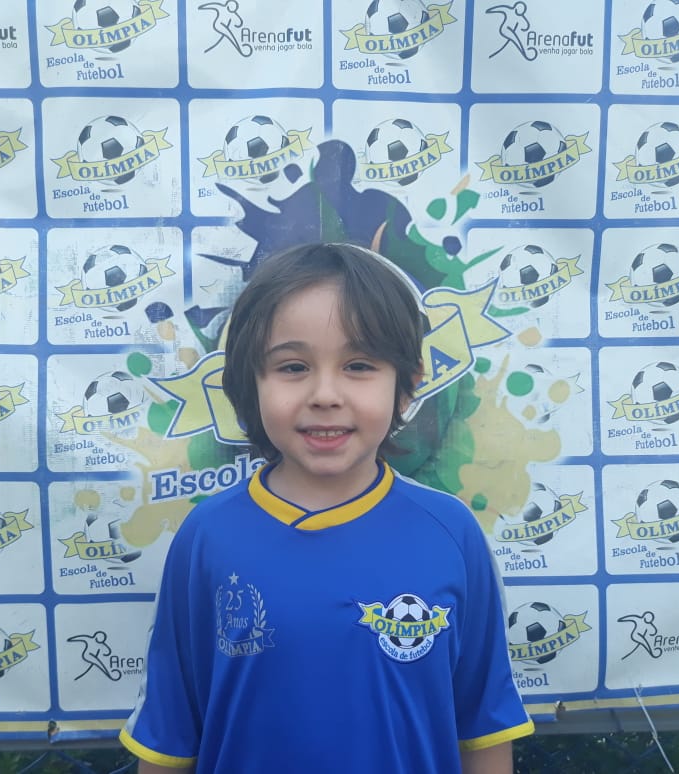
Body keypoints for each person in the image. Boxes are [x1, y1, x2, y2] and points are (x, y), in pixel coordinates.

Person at [120, 242, 534, 773]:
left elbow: (484, 728)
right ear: (249, 384)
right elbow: (170, 732)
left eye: (359, 365)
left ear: (407, 386)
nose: (325, 394)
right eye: (293, 366)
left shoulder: (451, 533)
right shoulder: (208, 537)